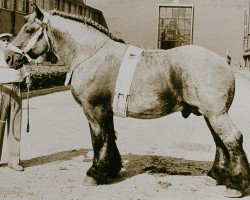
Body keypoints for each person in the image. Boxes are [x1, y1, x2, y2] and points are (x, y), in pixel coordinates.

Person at [0, 33, 30, 171]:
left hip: (16, 89)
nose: (6, 42)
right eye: (3, 40)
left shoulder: (15, 54)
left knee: (15, 124)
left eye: (7, 40)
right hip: (2, 90)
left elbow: (24, 71)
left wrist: (28, 78)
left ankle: (13, 160)